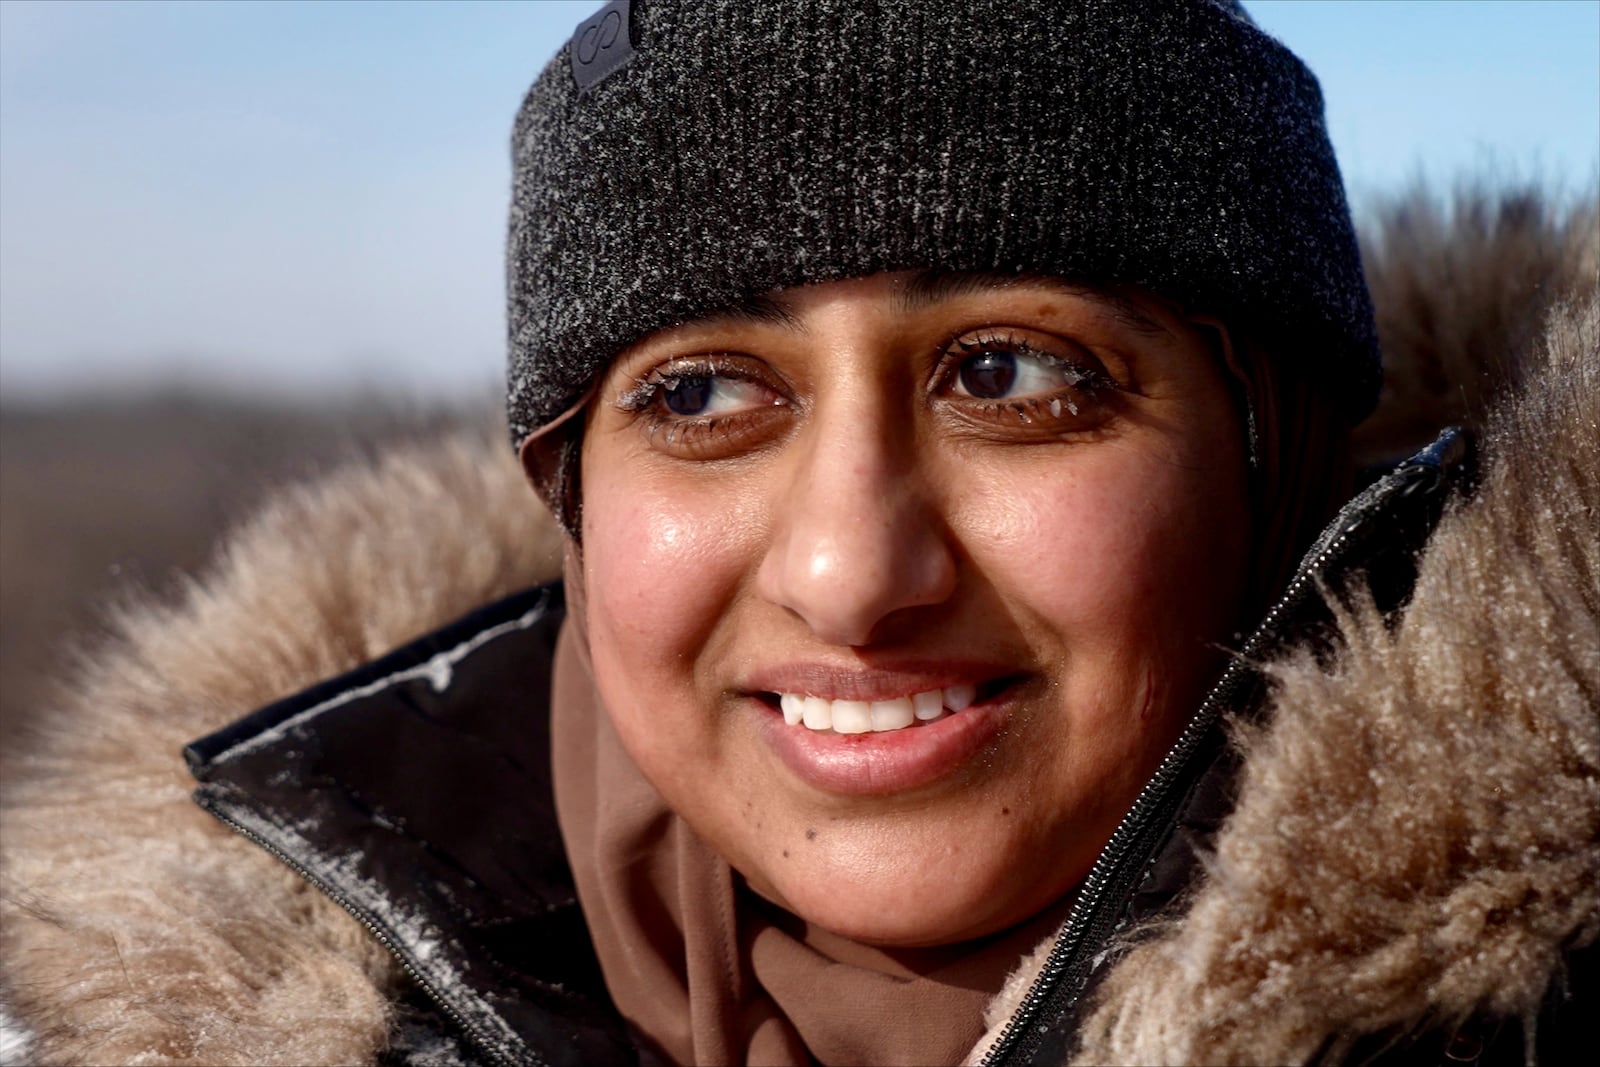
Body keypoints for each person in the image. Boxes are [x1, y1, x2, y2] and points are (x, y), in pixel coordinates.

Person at [2, 1, 1595, 1064]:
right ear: (573, 490)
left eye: (1011, 375)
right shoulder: (189, 1016)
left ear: (1272, 459)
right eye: (701, 396)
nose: (850, 572)